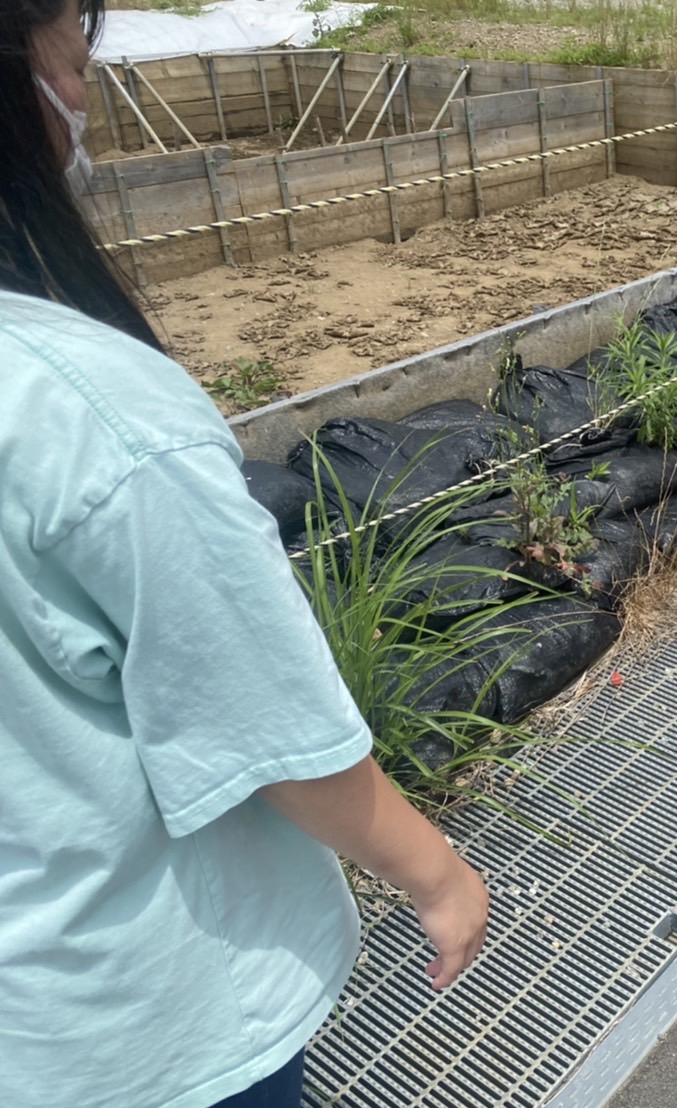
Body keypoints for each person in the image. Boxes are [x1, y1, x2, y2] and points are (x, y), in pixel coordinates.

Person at [0, 4, 490, 1106]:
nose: (82, 101)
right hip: (140, 1009)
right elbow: (260, 720)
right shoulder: (87, 410)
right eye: (74, 64)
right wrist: (436, 873)